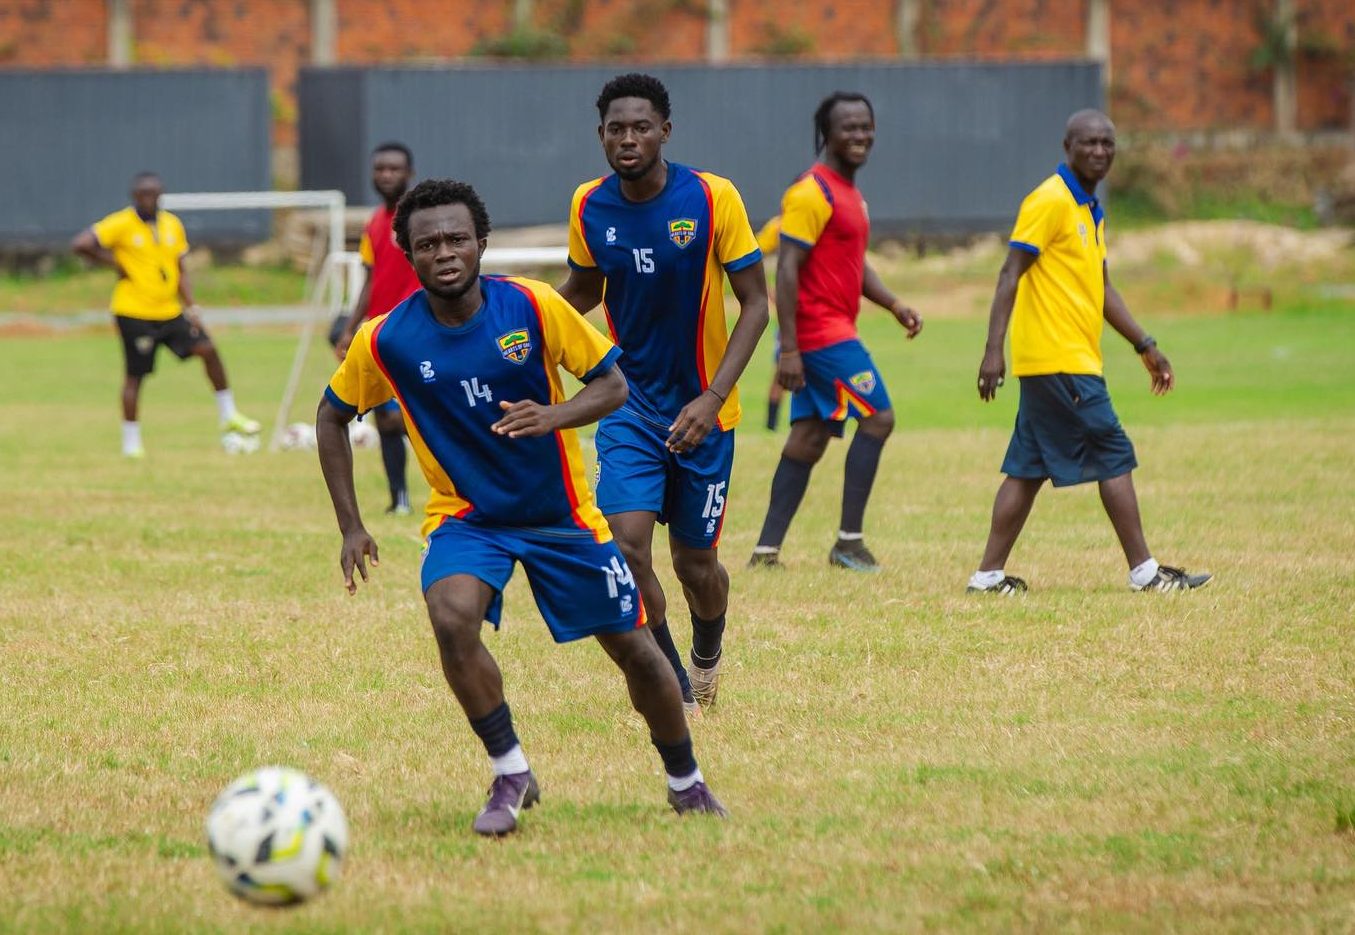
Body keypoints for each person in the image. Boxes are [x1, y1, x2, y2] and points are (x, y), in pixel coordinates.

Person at [317, 179, 726, 836]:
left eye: (456, 238)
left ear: (480, 242)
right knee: (451, 617)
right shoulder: (386, 338)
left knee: (635, 648)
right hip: (466, 517)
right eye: (428, 244)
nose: (444, 252)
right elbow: (331, 415)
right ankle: (510, 769)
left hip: (560, 516)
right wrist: (351, 524)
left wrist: (554, 415)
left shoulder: (532, 305)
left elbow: (612, 385)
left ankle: (685, 780)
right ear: (410, 255)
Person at [558, 73, 769, 714]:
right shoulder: (588, 206)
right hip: (627, 404)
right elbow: (584, 292)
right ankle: (675, 681)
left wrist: (712, 397)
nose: (628, 138)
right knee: (625, 547)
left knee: (696, 565)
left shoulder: (712, 197)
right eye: (616, 128)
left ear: (665, 132)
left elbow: (757, 304)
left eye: (641, 126)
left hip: (706, 409)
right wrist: (521, 331)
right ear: (600, 136)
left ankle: (708, 654)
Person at [967, 109, 1212, 594]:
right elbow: (1009, 273)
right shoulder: (1049, 200)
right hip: (1059, 361)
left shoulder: (1088, 210)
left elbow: (1101, 288)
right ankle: (1145, 573)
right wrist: (994, 351)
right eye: (1089, 143)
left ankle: (987, 577)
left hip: (1067, 360)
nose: (1100, 151)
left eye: (1107, 143)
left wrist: (1145, 345)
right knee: (1113, 452)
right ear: (1067, 146)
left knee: (1027, 468)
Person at [748, 92, 923, 574]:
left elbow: (852, 263)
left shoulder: (849, 194)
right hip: (820, 336)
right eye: (849, 127)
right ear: (827, 133)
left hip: (833, 329)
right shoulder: (810, 192)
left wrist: (892, 304)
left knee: (809, 436)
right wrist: (789, 350)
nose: (860, 135)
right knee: (878, 418)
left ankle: (765, 553)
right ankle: (848, 543)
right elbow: (787, 272)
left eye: (866, 126)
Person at [72, 171, 260, 458]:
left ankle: (228, 414)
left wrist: (192, 306)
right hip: (134, 312)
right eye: (146, 194)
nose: (152, 199)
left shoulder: (172, 225)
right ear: (135, 196)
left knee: (208, 349)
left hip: (170, 311)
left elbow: (180, 269)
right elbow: (82, 244)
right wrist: (114, 262)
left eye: (156, 194)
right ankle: (131, 443)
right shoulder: (121, 223)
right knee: (136, 375)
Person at [333, 142, 421, 515]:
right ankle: (399, 499)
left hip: (415, 329)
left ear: (409, 174)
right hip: (380, 333)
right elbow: (369, 281)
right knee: (386, 420)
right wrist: (350, 327)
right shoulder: (373, 223)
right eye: (380, 168)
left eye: (394, 169)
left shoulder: (418, 218)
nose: (386, 175)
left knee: (410, 415)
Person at [755, 215, 786, 431]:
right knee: (782, 372)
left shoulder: (822, 221)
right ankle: (771, 427)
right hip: (790, 316)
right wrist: (767, 290)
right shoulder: (778, 226)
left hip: (821, 313)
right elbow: (752, 254)